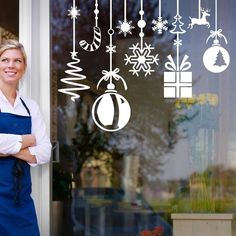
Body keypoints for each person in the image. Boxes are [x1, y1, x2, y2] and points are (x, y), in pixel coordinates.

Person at [0, 39, 51, 235]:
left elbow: (45, 151)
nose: (11, 65)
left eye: (17, 61)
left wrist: (7, 148)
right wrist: (27, 140)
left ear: (24, 67)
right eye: (5, 60)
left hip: (21, 201)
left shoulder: (30, 106)